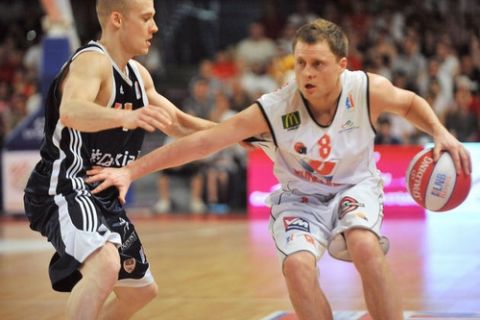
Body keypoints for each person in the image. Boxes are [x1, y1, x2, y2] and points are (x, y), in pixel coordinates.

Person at [86, 18, 472, 319]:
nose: (306, 73)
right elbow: (208, 141)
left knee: (364, 245)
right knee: (298, 268)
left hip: (354, 189)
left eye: (318, 64)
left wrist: (441, 132)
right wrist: (132, 171)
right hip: (299, 200)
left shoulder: (365, 89)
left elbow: (409, 103)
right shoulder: (275, 107)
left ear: (342, 65)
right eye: (300, 62)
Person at [23, 0, 215, 319]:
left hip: (103, 195)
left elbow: (179, 123)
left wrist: (241, 133)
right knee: (105, 265)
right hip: (65, 186)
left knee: (140, 292)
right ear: (117, 19)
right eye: (147, 18)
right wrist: (126, 117)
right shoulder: (91, 62)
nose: (154, 27)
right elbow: (71, 111)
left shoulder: (139, 75)